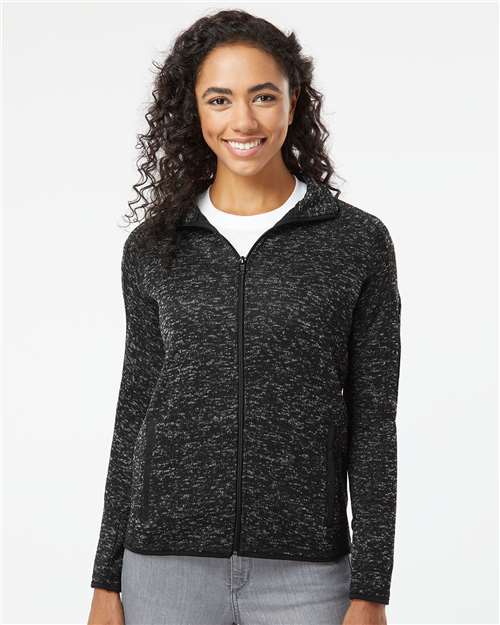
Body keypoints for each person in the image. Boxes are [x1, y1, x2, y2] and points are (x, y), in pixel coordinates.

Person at [87, 9, 402, 625]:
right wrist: (106, 578)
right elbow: (134, 413)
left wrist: (371, 589)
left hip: (308, 572)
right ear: (195, 111)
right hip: (163, 565)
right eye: (219, 99)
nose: (243, 121)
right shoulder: (155, 246)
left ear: (293, 102)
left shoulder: (357, 242)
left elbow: (374, 426)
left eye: (263, 96)